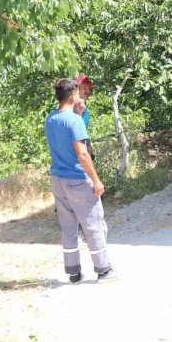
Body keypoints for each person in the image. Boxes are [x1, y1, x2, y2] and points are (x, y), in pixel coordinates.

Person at [45, 78, 118, 284]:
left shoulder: (50, 118)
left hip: (58, 180)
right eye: (77, 93)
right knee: (93, 223)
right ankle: (103, 270)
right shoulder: (75, 121)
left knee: (68, 227)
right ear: (72, 96)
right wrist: (96, 180)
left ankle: (73, 272)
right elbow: (82, 154)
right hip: (77, 179)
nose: (80, 96)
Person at [74, 73, 94, 159]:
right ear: (76, 89)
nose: (88, 91)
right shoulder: (69, 107)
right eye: (85, 87)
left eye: (89, 88)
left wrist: (88, 143)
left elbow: (83, 129)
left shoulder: (84, 108)